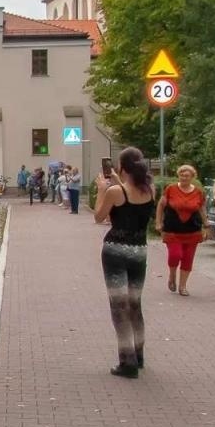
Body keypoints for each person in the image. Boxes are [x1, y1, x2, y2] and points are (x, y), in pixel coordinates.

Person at [95, 147, 158, 378]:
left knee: (119, 307)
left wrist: (103, 190)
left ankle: (127, 360)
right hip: (140, 251)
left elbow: (99, 216)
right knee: (135, 304)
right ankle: (139, 354)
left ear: (121, 167)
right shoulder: (150, 189)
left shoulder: (115, 191)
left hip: (115, 251)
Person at [156, 164, 209, 295]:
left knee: (187, 258)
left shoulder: (198, 192)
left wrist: (206, 225)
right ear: (178, 176)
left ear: (192, 177)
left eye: (187, 176)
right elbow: (161, 205)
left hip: (192, 230)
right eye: (181, 175)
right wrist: (158, 222)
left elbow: (202, 209)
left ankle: (183, 286)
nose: (184, 178)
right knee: (175, 254)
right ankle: (172, 275)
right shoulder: (171, 189)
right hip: (172, 229)